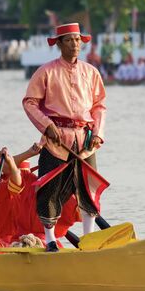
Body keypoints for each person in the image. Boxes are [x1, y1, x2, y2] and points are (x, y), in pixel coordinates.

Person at [23, 23, 106, 252]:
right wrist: (47, 125)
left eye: (78, 40)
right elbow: (30, 102)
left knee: (88, 187)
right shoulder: (45, 72)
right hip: (56, 140)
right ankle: (50, 239)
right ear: (59, 44)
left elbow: (99, 106)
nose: (75, 44)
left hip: (86, 140)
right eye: (69, 40)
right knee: (50, 187)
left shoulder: (91, 72)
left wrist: (98, 134)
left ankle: (88, 239)